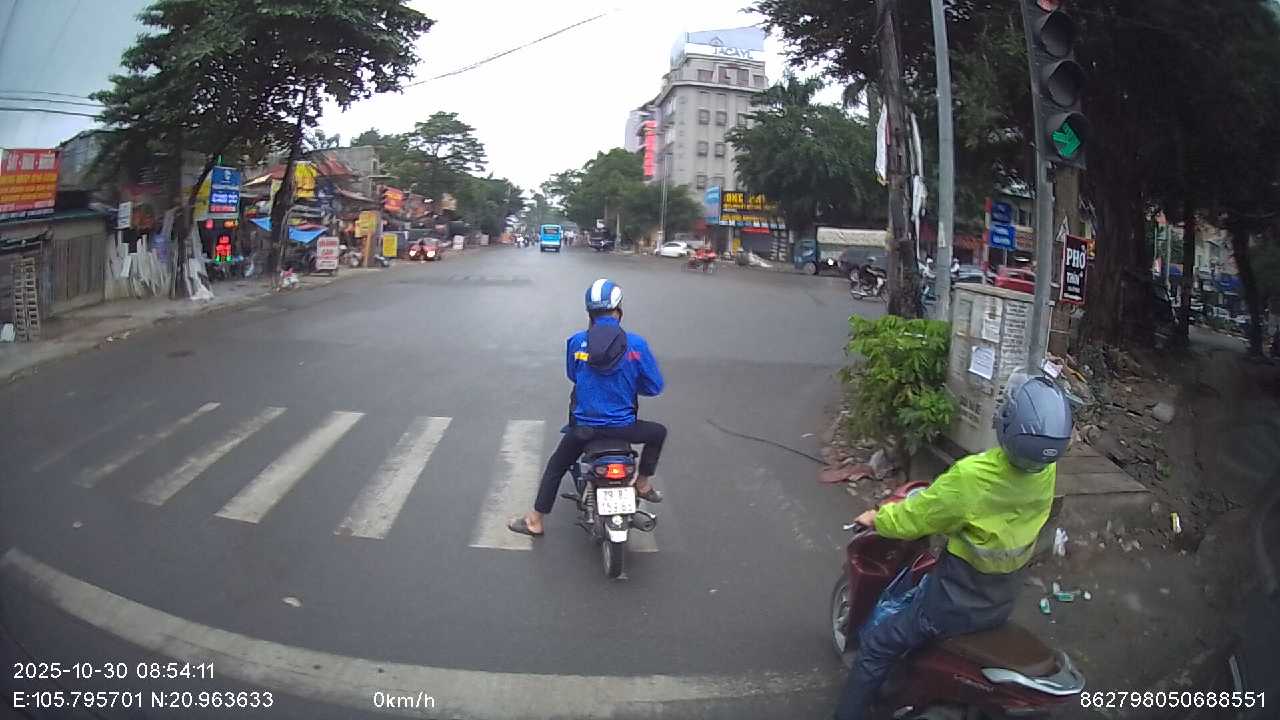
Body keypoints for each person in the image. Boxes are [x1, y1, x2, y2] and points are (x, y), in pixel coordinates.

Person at [833, 372, 1073, 720]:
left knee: (877, 645)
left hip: (951, 605)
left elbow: (918, 517)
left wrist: (877, 518)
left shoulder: (972, 477)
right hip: (1000, 601)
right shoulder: (1046, 472)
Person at [508, 278, 666, 537]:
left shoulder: (577, 342)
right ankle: (643, 482)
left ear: (589, 312)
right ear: (618, 309)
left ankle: (535, 521)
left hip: (584, 430)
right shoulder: (636, 345)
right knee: (658, 433)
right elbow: (654, 387)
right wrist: (627, 382)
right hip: (624, 428)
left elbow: (574, 375)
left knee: (556, 467)